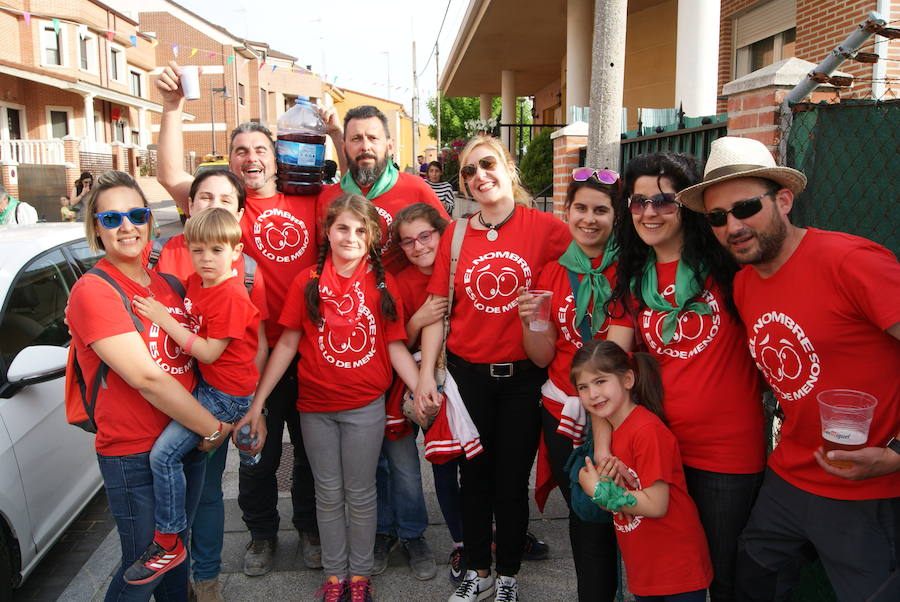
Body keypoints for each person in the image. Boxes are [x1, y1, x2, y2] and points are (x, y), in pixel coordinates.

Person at [677, 135, 900, 601]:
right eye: (716, 218)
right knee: (753, 584)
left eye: (744, 209)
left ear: (783, 199)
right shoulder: (744, 286)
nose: (731, 226)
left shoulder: (851, 262)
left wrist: (897, 453)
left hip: (870, 487)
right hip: (789, 478)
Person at [155, 61, 326, 575]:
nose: (251, 158)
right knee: (258, 454)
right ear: (231, 164)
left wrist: (334, 132)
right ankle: (261, 536)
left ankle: (311, 531)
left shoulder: (310, 198)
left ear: (278, 159)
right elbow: (169, 176)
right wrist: (172, 109)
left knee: (312, 455)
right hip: (249, 358)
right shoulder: (225, 209)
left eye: (260, 150)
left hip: (308, 347)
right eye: (241, 151)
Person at [415, 135, 570, 602]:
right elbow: (440, 308)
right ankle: (478, 571)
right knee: (474, 477)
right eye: (468, 171)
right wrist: (425, 377)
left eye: (488, 164)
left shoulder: (546, 229)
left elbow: (579, 277)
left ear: (508, 168)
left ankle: (507, 575)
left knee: (511, 479)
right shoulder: (456, 234)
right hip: (468, 377)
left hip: (523, 379)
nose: (479, 175)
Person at [607, 152, 766, 602]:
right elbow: (611, 365)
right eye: (638, 203)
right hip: (659, 452)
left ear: (687, 206)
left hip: (727, 454)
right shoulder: (634, 277)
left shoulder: (728, 267)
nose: (650, 212)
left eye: (664, 200)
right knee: (676, 578)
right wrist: (603, 445)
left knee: (724, 577)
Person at [66, 170, 231, 599]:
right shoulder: (94, 291)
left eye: (136, 214)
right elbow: (147, 377)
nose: (127, 227)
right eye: (111, 219)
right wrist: (211, 427)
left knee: (176, 555)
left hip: (183, 444)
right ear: (96, 229)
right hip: (137, 454)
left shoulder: (166, 284)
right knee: (142, 574)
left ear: (151, 222)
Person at [254, 194, 420, 601]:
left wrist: (423, 387)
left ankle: (360, 576)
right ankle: (334, 576)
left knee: (361, 493)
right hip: (315, 409)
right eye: (343, 227)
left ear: (372, 238)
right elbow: (288, 343)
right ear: (327, 231)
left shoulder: (383, 284)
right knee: (327, 493)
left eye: (361, 230)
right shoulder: (307, 281)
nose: (351, 236)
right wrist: (257, 402)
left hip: (365, 407)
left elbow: (396, 345)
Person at [516, 170, 633, 602]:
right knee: (586, 517)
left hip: (622, 416)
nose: (589, 219)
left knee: (629, 518)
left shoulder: (632, 271)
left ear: (616, 216)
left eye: (601, 210)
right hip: (563, 415)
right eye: (580, 208)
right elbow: (543, 355)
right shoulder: (551, 273)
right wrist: (529, 320)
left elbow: (622, 358)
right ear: (567, 212)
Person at [128, 207, 260, 585]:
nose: (206, 259)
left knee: (164, 455)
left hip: (225, 395)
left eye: (217, 251)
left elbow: (208, 352)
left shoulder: (232, 294)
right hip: (206, 387)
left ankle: (169, 539)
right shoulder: (196, 282)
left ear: (236, 253)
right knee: (188, 465)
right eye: (198, 250)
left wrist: (161, 318)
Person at [574, 340, 713, 601]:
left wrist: (599, 491)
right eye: (583, 386)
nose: (592, 393)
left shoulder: (647, 431)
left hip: (676, 568)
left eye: (601, 381)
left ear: (628, 380)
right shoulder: (613, 434)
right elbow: (617, 504)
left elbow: (657, 504)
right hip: (645, 568)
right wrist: (600, 489)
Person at [316, 105, 449, 274]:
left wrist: (437, 292)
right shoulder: (327, 198)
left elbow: (448, 243)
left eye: (373, 138)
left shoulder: (416, 188)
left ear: (390, 146)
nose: (365, 146)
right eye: (356, 138)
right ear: (344, 147)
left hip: (406, 298)